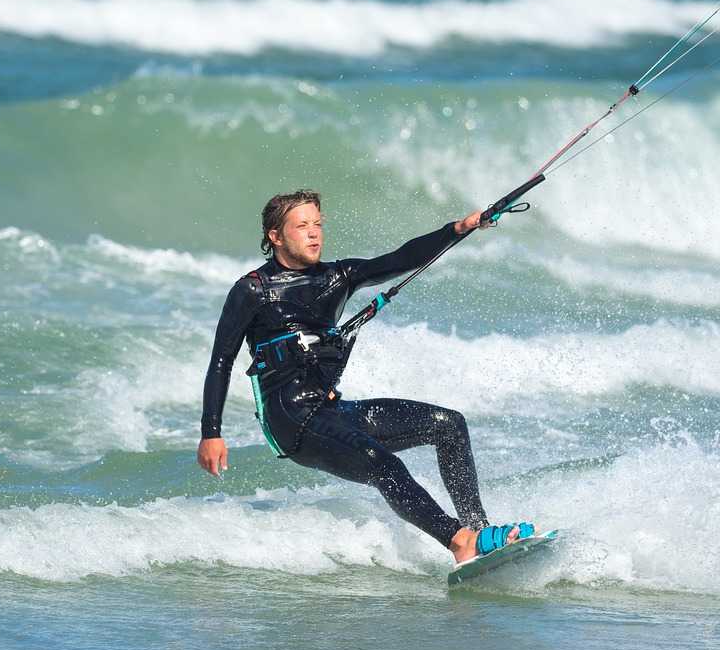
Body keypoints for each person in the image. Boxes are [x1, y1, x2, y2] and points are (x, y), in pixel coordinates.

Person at [197, 189, 535, 563]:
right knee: (382, 463)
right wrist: (211, 433)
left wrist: (460, 227)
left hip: (330, 410)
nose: (314, 234)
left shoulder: (337, 277)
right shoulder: (253, 290)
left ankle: (479, 531)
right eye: (302, 226)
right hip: (291, 419)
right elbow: (220, 362)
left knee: (450, 425)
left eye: (317, 225)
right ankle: (459, 542)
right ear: (275, 237)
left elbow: (401, 259)